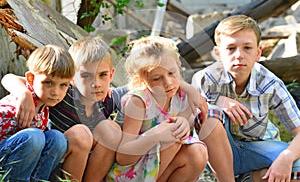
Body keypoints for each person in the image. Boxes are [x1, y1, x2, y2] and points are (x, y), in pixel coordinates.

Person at [1, 36, 207, 181]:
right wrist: (24, 94)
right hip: (54, 161)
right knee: (83, 133)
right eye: (86, 76)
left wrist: (188, 88)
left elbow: (148, 79)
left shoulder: (111, 97)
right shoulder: (61, 93)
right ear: (72, 78)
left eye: (102, 76)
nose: (96, 84)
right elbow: (10, 78)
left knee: (111, 129)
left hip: (87, 164)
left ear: (111, 74)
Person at [192, 14, 300, 182]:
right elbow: (190, 120)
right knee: (210, 113)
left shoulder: (270, 84)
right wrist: (217, 101)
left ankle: (250, 178)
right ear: (218, 53)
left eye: (247, 48)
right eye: (231, 48)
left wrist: (286, 158)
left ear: (258, 52)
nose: (239, 55)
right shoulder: (205, 79)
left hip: (257, 148)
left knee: (295, 170)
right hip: (214, 155)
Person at [105, 36, 208, 182]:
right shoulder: (138, 102)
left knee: (198, 152)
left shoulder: (181, 95)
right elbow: (123, 157)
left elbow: (192, 118)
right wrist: (156, 135)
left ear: (179, 66)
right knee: (172, 135)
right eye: (156, 79)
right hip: (131, 171)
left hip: (157, 166)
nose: (168, 83)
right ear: (141, 80)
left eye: (171, 73)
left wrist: (184, 121)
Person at [0, 45, 75, 181]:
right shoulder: (20, 101)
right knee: (34, 137)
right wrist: (24, 93)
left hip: (20, 160)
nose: (56, 92)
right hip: (4, 158)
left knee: (57, 139)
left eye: (63, 85)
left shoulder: (45, 104)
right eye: (48, 83)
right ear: (30, 79)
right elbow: (8, 78)